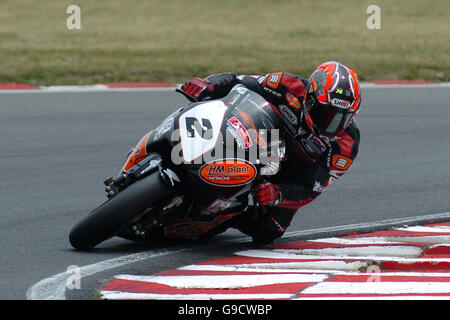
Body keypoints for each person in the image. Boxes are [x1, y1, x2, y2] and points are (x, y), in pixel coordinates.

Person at [180, 61, 361, 245]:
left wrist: (277, 194)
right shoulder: (287, 85)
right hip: (264, 137)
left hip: (293, 175)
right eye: (325, 114)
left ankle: (226, 216)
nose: (331, 125)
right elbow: (240, 81)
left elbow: (311, 188)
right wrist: (207, 85)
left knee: (269, 231)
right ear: (310, 97)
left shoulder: (346, 146)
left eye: (342, 118)